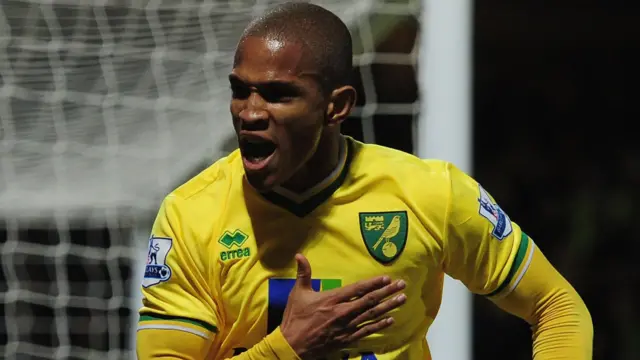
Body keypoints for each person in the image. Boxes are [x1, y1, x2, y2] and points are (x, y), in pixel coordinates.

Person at [136, 2, 593, 359]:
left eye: (278, 95)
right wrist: (289, 348)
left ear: (337, 106)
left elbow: (557, 306)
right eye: (240, 90)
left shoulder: (431, 194)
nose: (250, 113)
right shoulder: (191, 214)